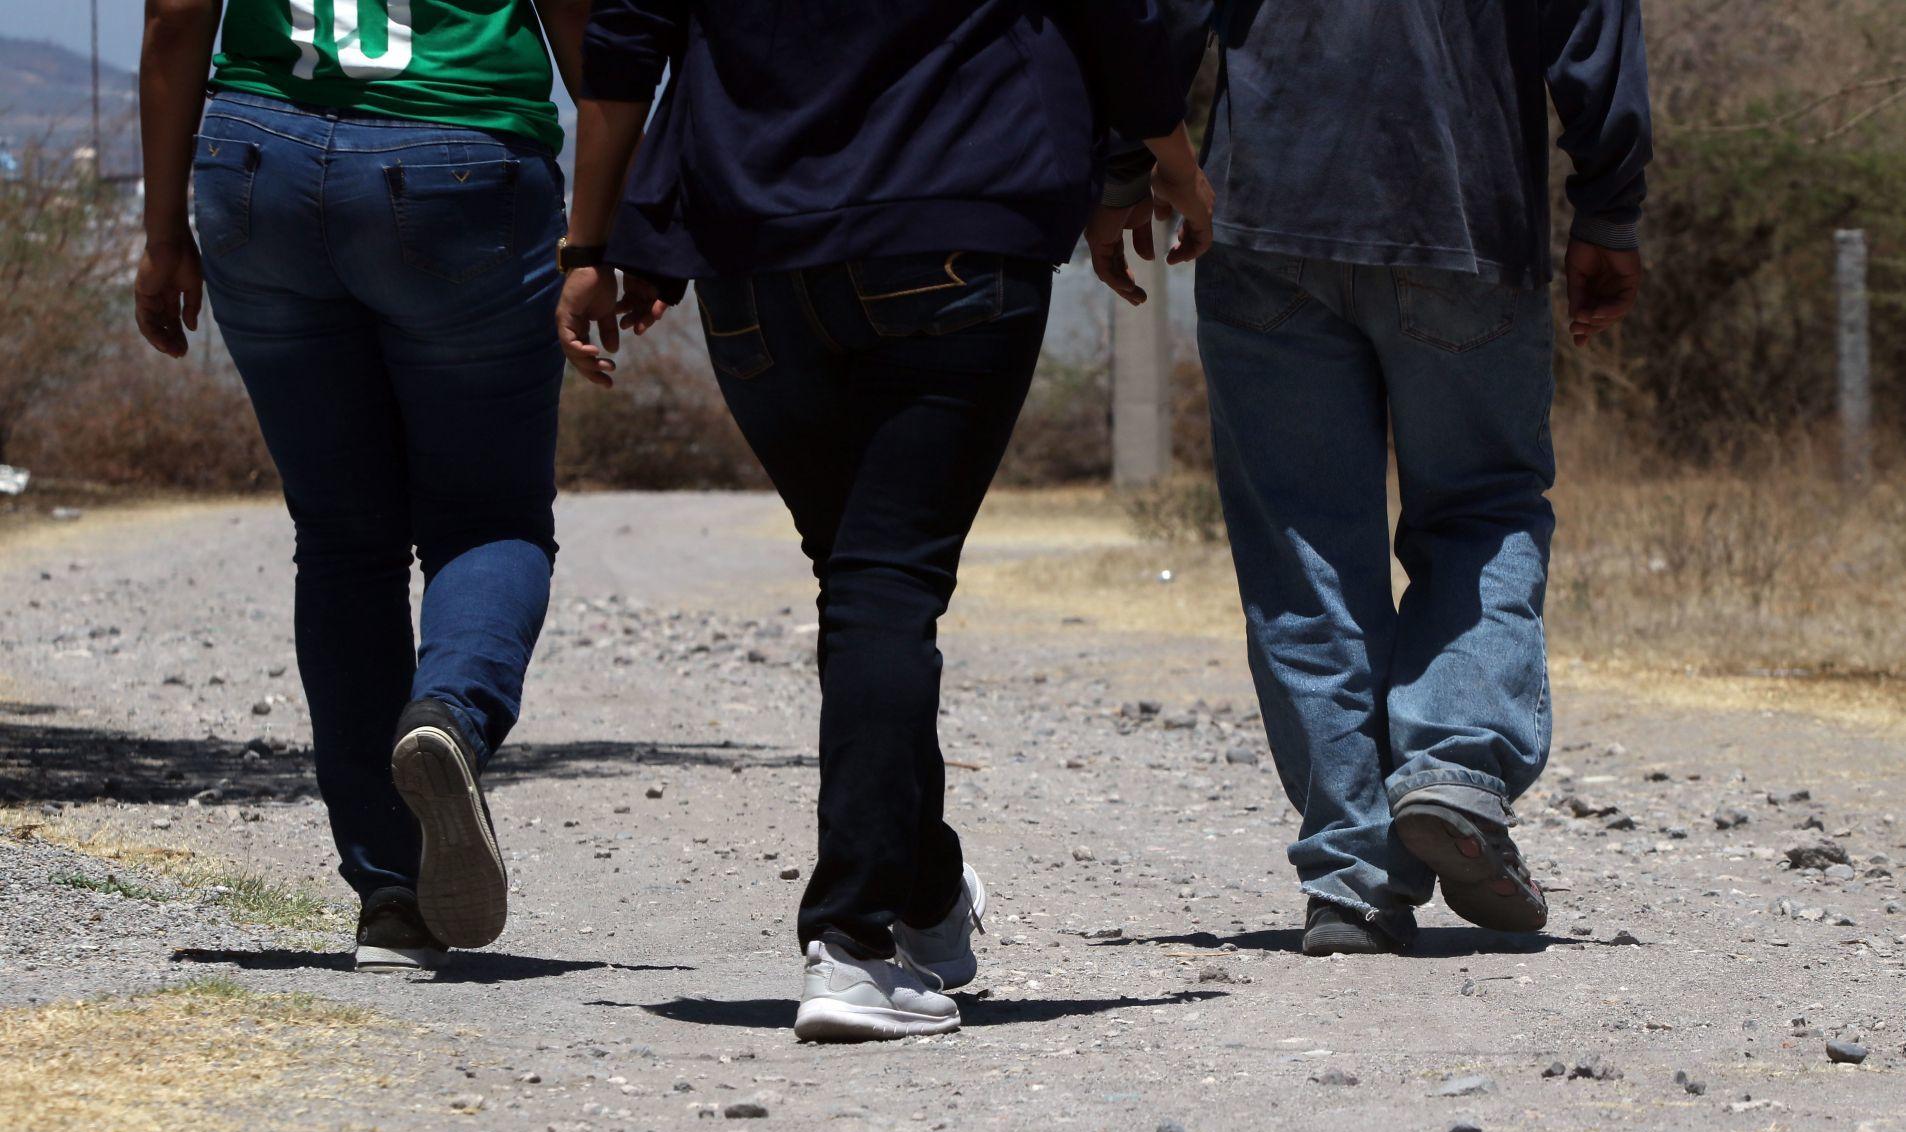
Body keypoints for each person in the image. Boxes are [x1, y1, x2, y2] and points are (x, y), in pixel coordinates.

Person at [560, 0, 1214, 1040]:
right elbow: (1120, 15)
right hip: (956, 223)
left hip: (752, 252)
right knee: (884, 581)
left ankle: (927, 889)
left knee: (865, 580)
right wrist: (1159, 159)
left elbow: (623, 41)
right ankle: (852, 941)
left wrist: (590, 243)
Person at [1088, 0, 1652, 954]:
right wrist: (1609, 208)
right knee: (1482, 508)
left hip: (1264, 219)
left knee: (1302, 542)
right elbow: (1594, 32)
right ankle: (1454, 769)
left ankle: (1353, 874)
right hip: (1466, 218)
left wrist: (1120, 168)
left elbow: (1154, 18)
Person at [134, 0, 593, 971]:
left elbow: (177, 14)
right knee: (488, 518)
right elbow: (587, 25)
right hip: (459, 160)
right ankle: (450, 715)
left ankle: (393, 897)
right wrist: (609, 229)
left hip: (257, 159)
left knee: (344, 538)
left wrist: (162, 229)